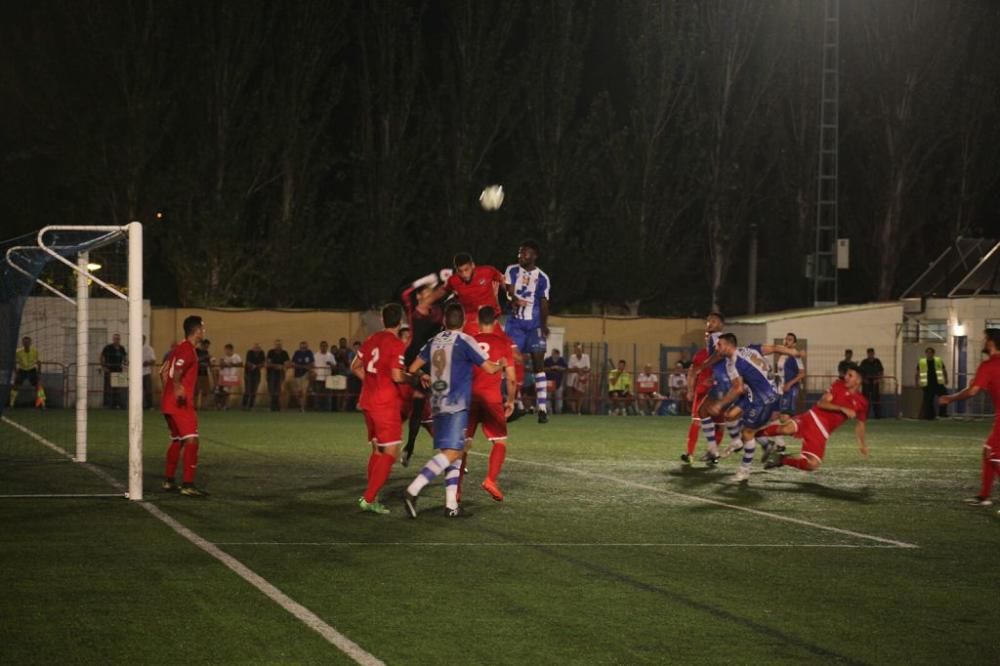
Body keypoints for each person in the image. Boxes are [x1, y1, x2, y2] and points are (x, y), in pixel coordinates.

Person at [403, 302, 501, 519]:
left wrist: (423, 376)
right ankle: (413, 490)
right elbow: (490, 368)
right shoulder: (465, 340)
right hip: (456, 404)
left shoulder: (434, 340)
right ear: (464, 321)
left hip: (437, 404)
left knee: (452, 453)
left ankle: (451, 506)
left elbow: (411, 368)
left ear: (445, 321)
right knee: (455, 452)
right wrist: (502, 363)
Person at [707, 333, 803, 483]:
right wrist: (792, 351)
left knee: (747, 433)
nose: (716, 347)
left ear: (727, 345)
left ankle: (745, 470)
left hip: (764, 400)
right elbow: (774, 348)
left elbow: (737, 389)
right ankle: (744, 442)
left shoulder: (734, 362)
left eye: (719, 345)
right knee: (730, 416)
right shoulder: (751, 349)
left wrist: (719, 403)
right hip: (755, 393)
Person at [352, 303, 409, 515]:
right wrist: (413, 379)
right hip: (385, 404)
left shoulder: (370, 340)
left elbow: (354, 367)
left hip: (368, 401)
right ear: (400, 321)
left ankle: (371, 495)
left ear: (383, 320)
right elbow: (396, 375)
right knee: (391, 452)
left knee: (377, 450)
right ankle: (368, 498)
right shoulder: (396, 344)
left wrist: (372, 382)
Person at [762, 363, 869, 474]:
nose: (846, 377)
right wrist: (842, 409)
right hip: (813, 417)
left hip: (823, 432)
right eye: (846, 374)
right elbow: (822, 403)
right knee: (785, 429)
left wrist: (862, 445)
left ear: (858, 380)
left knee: (812, 465)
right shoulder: (838, 385)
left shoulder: (862, 402)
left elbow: (861, 424)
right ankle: (754, 434)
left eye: (850, 375)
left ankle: (781, 459)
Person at [939, 329, 1000, 510]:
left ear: (991, 343)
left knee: (994, 455)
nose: (983, 342)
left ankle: (984, 496)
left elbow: (973, 391)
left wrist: (950, 398)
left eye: (985, 339)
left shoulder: (989, 366)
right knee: (988, 451)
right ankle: (984, 496)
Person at [465, 307, 517, 501]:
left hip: (470, 398)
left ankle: (456, 491)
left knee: (463, 445)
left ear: (477, 321)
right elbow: (511, 378)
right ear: (496, 323)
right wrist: (510, 400)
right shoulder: (503, 343)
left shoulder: (469, 342)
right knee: (500, 441)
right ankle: (490, 480)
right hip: (492, 399)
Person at [399, 271, 448, 466]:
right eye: (427, 292)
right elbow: (404, 293)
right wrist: (427, 279)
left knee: (443, 411)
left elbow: (449, 295)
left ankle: (451, 456)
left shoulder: (438, 312)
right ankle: (409, 447)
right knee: (418, 410)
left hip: (435, 365)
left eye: (431, 292)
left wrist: (446, 282)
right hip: (416, 363)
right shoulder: (413, 310)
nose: (430, 294)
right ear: (419, 296)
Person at [160, 315, 209, 497]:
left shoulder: (177, 349)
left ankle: (169, 480)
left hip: (168, 403)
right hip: (180, 403)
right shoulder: (187, 349)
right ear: (196, 331)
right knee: (192, 440)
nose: (204, 331)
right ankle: (188, 484)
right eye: (203, 328)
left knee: (178, 440)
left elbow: (163, 372)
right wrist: (178, 387)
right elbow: (177, 371)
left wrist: (169, 392)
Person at [504, 239, 552, 423]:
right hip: (515, 325)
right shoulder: (512, 270)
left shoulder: (543, 278)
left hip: (534, 326)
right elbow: (508, 291)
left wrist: (544, 325)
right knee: (511, 362)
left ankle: (542, 409)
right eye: (520, 253)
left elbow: (544, 302)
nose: (521, 256)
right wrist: (514, 299)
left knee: (538, 362)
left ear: (534, 256)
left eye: (525, 253)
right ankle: (513, 404)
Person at [445, 252, 505, 335]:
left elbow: (502, 279)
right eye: (460, 271)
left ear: (472, 265)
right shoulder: (453, 281)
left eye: (466, 269)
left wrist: (509, 294)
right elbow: (445, 292)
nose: (464, 274)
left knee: (498, 343)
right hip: (469, 320)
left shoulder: (487, 271)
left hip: (491, 317)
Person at [682, 343, 716, 464]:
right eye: (707, 336)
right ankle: (690, 453)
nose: (708, 338)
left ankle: (712, 453)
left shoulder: (724, 353)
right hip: (701, 391)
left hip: (717, 393)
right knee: (696, 421)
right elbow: (692, 371)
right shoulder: (701, 354)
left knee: (719, 424)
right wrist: (690, 389)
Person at [10, 336, 44, 409]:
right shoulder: (18, 352)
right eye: (25, 342)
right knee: (16, 386)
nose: (26, 344)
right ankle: (11, 403)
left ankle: (42, 403)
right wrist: (15, 370)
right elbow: (14, 361)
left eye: (28, 342)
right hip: (22, 370)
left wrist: (39, 371)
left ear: (30, 343)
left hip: (32, 369)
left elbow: (38, 362)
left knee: (38, 386)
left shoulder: (34, 351)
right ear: (22, 343)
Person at [916, 347, 948, 420]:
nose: (929, 354)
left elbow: (944, 370)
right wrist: (917, 382)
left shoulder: (938, 361)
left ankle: (943, 414)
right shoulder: (922, 362)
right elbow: (917, 373)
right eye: (928, 353)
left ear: (933, 353)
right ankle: (930, 416)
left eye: (931, 353)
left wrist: (946, 379)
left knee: (944, 397)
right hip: (927, 384)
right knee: (928, 401)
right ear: (926, 353)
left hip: (938, 384)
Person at [100, 333, 127, 409]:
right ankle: (108, 404)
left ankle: (117, 404)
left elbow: (125, 358)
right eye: (115, 339)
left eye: (118, 339)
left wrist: (126, 363)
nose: (117, 340)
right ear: (113, 339)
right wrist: (103, 366)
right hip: (109, 370)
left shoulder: (122, 348)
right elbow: (101, 357)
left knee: (118, 387)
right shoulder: (108, 347)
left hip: (119, 370)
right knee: (109, 387)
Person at [858, 348, 885, 418]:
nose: (870, 355)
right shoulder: (864, 362)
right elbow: (859, 373)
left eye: (871, 353)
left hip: (875, 383)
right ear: (867, 354)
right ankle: (864, 415)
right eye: (869, 353)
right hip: (866, 383)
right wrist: (863, 380)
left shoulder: (877, 361)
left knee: (876, 400)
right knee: (865, 400)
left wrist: (878, 379)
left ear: (873, 353)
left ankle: (878, 416)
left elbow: (881, 371)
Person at [566, 342, 591, 414]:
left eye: (579, 349)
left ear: (582, 350)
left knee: (580, 395)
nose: (578, 351)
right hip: (572, 379)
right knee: (572, 395)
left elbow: (588, 368)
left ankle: (579, 410)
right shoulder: (572, 357)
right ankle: (573, 411)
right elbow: (570, 369)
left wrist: (579, 369)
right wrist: (578, 369)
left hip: (582, 379)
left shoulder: (586, 357)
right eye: (576, 349)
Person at [215, 343, 242, 410]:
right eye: (225, 350)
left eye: (228, 350)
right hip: (223, 376)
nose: (226, 351)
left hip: (231, 377)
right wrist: (222, 364)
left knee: (226, 392)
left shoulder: (236, 356)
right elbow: (221, 367)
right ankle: (219, 405)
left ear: (231, 350)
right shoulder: (224, 357)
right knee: (218, 391)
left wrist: (232, 364)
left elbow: (241, 363)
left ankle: (225, 405)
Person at [290, 341, 315, 412]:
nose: (304, 348)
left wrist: (307, 368)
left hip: (305, 375)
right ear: (300, 347)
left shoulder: (309, 353)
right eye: (302, 347)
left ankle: (311, 387)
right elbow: (293, 363)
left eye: (305, 347)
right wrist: (303, 366)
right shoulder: (297, 353)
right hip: (297, 375)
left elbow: (312, 364)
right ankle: (301, 406)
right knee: (299, 392)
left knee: (304, 391)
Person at [312, 340, 337, 411]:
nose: (323, 347)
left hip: (328, 378)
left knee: (328, 395)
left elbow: (335, 367)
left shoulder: (330, 355)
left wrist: (330, 364)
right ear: (320, 347)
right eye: (322, 346)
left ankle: (328, 409)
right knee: (318, 395)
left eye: (325, 346)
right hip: (318, 378)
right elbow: (313, 366)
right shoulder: (315, 355)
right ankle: (317, 409)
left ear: (327, 347)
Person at [266, 340, 289, 412]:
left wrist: (282, 367)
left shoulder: (284, 353)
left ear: (281, 346)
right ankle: (270, 407)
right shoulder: (270, 352)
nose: (278, 346)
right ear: (274, 345)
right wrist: (277, 366)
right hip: (271, 374)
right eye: (277, 345)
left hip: (281, 374)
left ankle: (279, 407)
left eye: (279, 345)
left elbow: (287, 363)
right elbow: (268, 364)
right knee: (271, 390)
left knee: (279, 390)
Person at [543, 348, 568, 414]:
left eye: (555, 354)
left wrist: (559, 368)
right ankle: (549, 410)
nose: (554, 355)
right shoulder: (547, 360)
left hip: (558, 382)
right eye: (553, 353)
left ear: (558, 354)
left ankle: (558, 411)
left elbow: (566, 368)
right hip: (549, 381)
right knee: (548, 397)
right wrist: (550, 368)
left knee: (559, 398)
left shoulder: (561, 360)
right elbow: (542, 368)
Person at [242, 343, 265, 410]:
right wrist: (255, 366)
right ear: (253, 348)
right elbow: (248, 363)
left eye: (258, 348)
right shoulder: (249, 352)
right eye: (255, 348)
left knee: (254, 390)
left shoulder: (262, 353)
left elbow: (263, 363)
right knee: (248, 390)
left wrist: (256, 366)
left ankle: (251, 406)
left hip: (257, 373)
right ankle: (244, 405)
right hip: (248, 373)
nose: (257, 349)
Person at [194, 339, 213, 410]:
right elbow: (196, 360)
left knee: (205, 390)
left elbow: (208, 362)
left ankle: (203, 406)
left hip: (204, 372)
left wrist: (209, 365)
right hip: (197, 373)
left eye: (208, 346)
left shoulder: (206, 352)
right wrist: (205, 357)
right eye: (206, 346)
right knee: (196, 390)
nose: (207, 348)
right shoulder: (196, 351)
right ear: (202, 345)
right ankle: (195, 405)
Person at [142, 335, 156, 410]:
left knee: (148, 389)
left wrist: (147, 362)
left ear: (144, 339)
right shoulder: (134, 347)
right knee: (138, 390)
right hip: (136, 373)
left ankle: (150, 405)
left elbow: (153, 360)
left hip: (146, 372)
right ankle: (140, 405)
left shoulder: (149, 349)